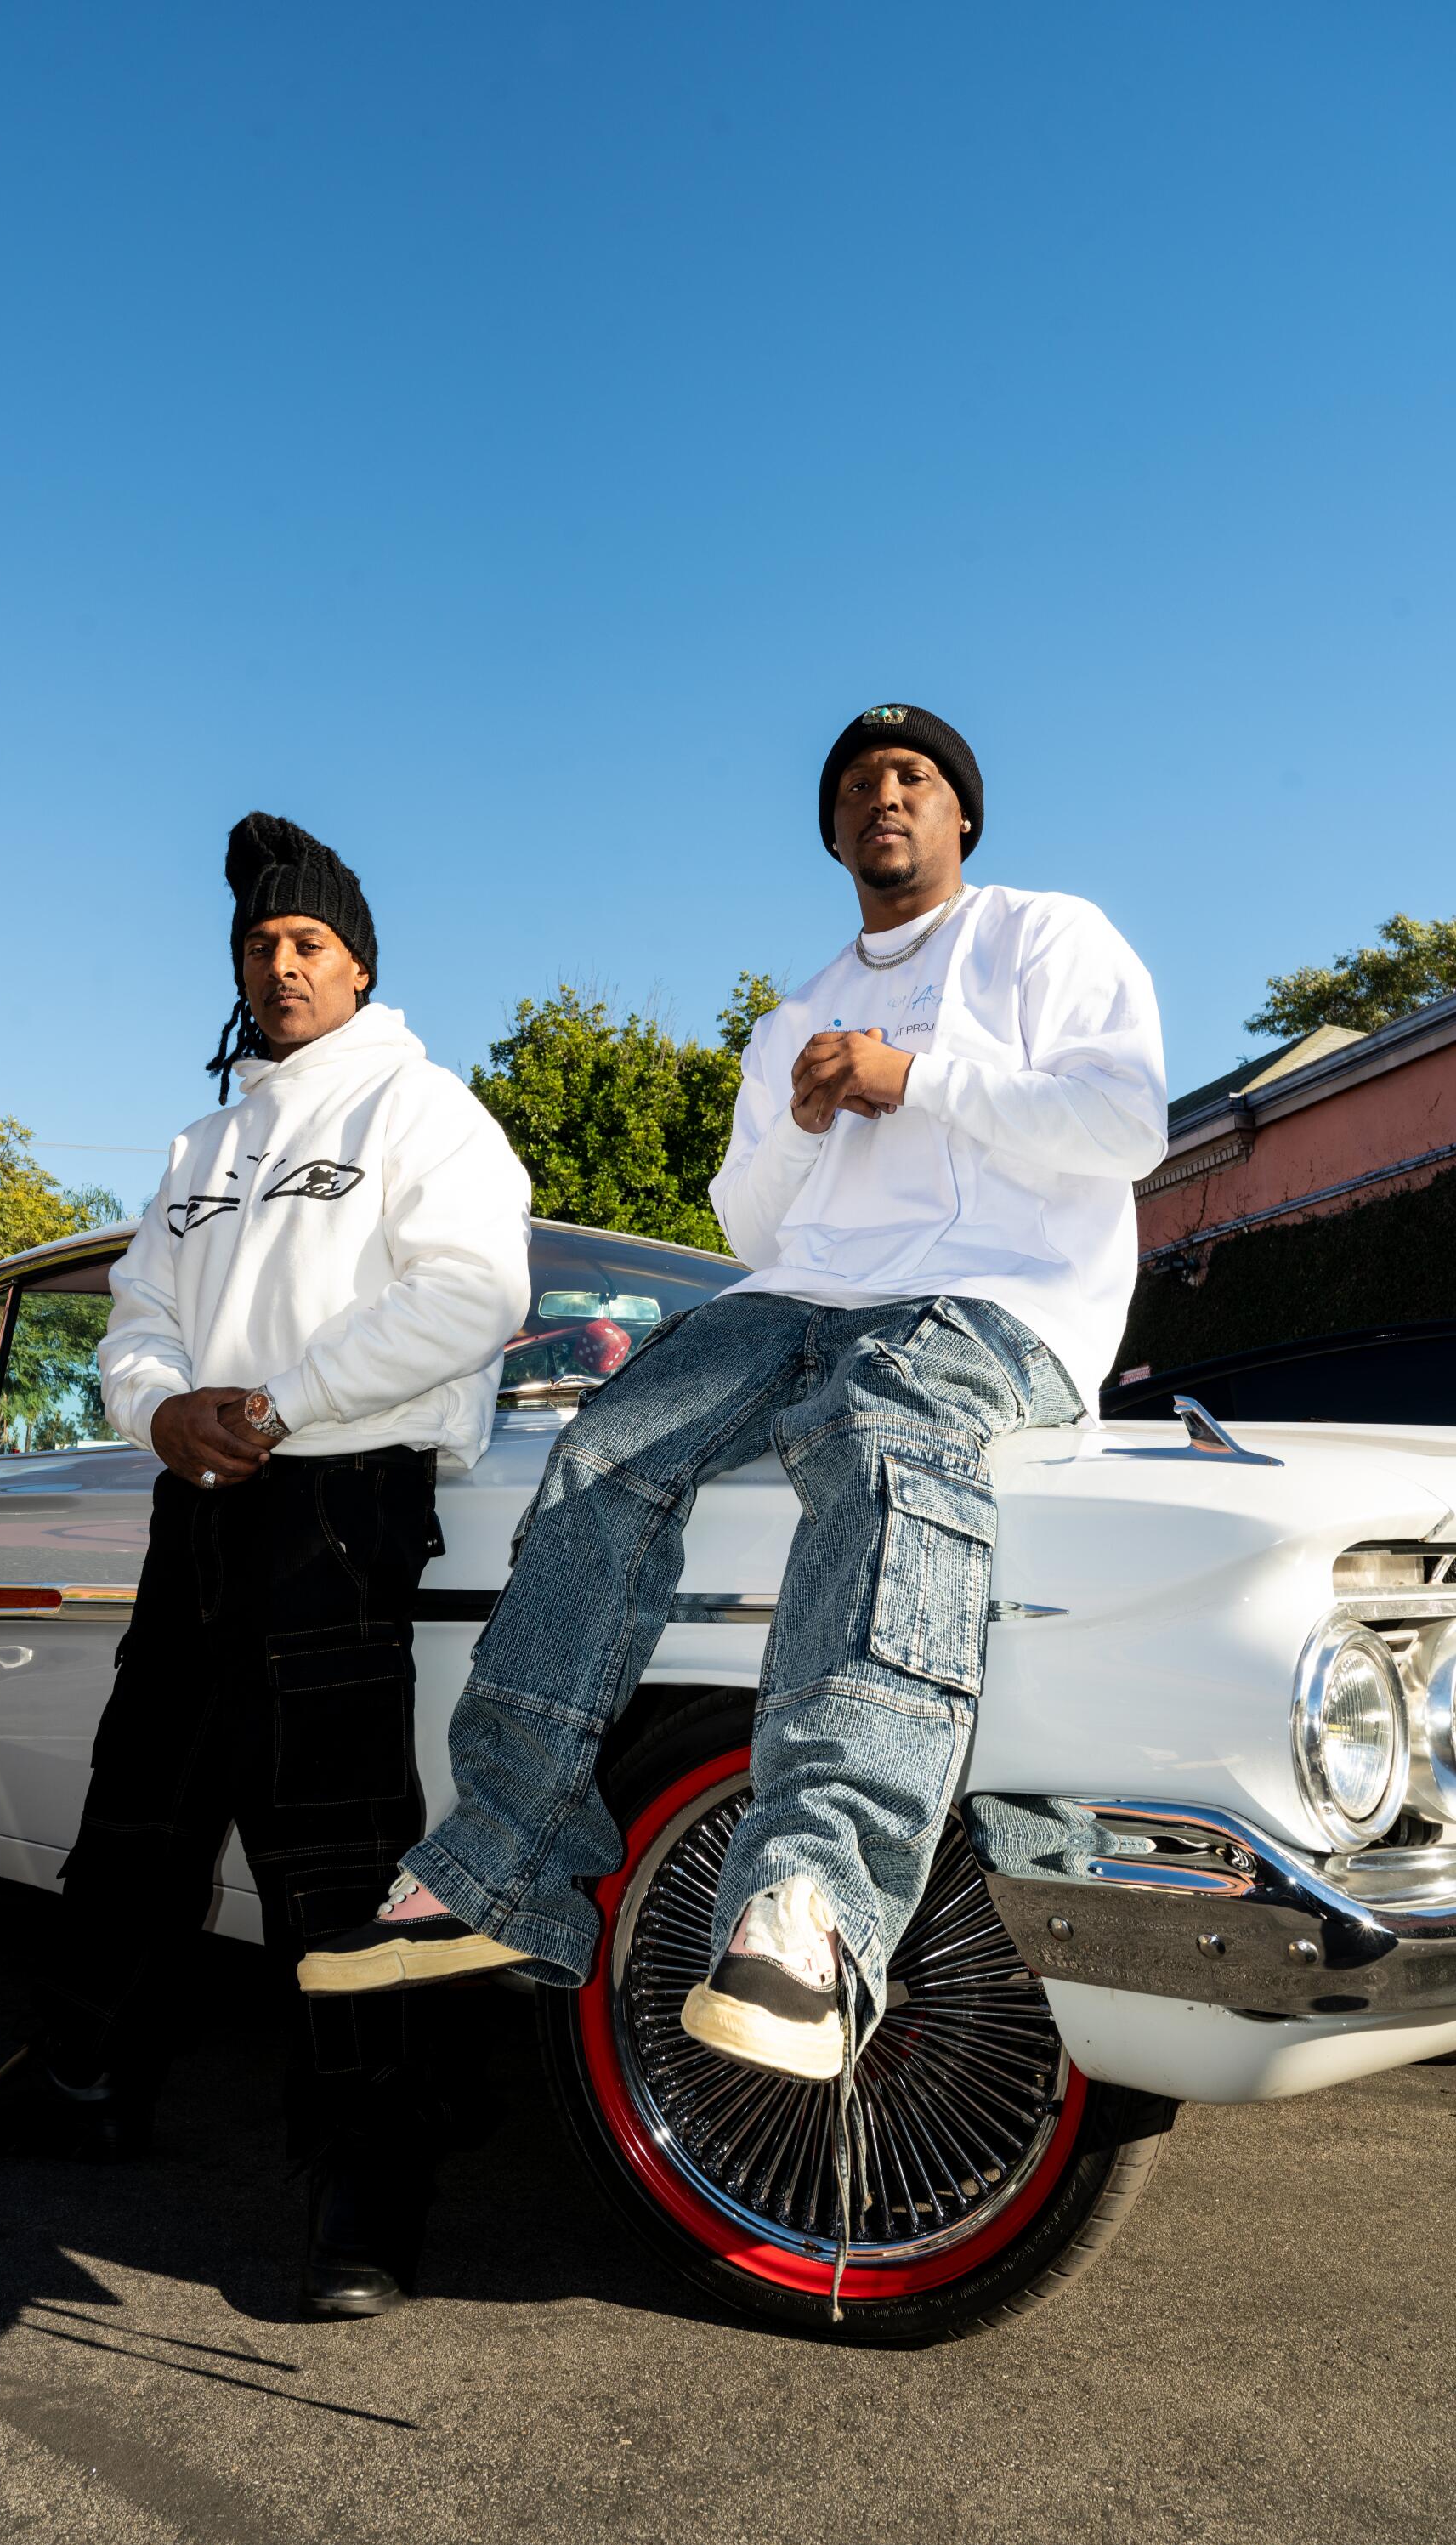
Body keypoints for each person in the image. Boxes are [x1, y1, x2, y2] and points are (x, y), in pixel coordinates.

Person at [300, 703, 1166, 2109]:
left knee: (883, 1433)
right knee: (602, 1444)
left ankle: (814, 1906)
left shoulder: (1046, 939)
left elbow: (1129, 1124)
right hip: (807, 1295)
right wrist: (816, 1120)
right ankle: (498, 1865)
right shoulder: (795, 1014)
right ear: (833, 832)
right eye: (858, 785)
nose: (886, 795)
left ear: (961, 817)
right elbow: (755, 1224)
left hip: (1002, 1298)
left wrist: (917, 1079)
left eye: (915, 776)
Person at [0, 811, 531, 2321]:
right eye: (257, 945)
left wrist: (277, 1403)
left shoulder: (422, 1108)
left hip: (342, 1495)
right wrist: (162, 1405)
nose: (278, 964)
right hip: (198, 1502)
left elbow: (474, 1291)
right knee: (135, 1818)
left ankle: (370, 2176)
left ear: (359, 961)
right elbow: (137, 1316)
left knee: (338, 1856)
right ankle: (78, 2076)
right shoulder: (198, 1145)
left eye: (305, 941)